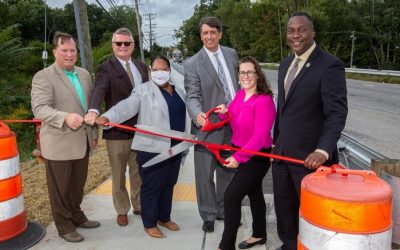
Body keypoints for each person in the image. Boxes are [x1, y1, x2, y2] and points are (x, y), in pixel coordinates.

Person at [272, 12, 348, 250]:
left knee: (312, 215)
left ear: (313, 32)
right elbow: (283, 110)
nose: (296, 35)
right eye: (291, 30)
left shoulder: (329, 65)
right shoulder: (285, 64)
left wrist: (323, 150)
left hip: (310, 159)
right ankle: (288, 245)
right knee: (284, 209)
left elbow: (336, 113)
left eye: (301, 29)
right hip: (282, 154)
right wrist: (275, 143)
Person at [96, 55, 191, 238]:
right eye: (155, 70)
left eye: (163, 69)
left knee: (169, 184)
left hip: (176, 147)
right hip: (153, 149)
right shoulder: (143, 91)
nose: (159, 73)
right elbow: (126, 106)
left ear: (170, 71)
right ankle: (149, 223)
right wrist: (109, 117)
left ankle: (164, 217)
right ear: (150, 71)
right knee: (152, 186)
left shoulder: (179, 91)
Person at [31, 31, 100, 243]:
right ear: (54, 52)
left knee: (77, 185)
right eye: (64, 50)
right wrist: (64, 117)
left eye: (73, 50)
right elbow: (40, 109)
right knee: (59, 189)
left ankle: (77, 216)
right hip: (59, 142)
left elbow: (91, 106)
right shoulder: (43, 76)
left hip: (83, 141)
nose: (69, 54)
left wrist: (94, 133)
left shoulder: (84, 74)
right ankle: (64, 226)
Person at [84, 28, 149, 226]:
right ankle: (122, 209)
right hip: (117, 133)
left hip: (140, 131)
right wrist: (94, 109)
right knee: (119, 174)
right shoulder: (106, 68)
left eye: (126, 43)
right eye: (118, 43)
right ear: (113, 46)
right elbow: (99, 89)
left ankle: (139, 205)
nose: (122, 46)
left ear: (133, 45)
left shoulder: (141, 66)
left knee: (138, 171)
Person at [184, 16, 239, 233]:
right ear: (201, 36)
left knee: (228, 170)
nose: (209, 36)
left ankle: (224, 209)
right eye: (205, 33)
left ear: (220, 34)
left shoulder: (231, 54)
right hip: (208, 127)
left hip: (234, 125)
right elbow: (192, 95)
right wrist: (198, 115)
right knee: (205, 174)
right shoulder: (192, 63)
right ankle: (208, 214)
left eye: (213, 32)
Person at [215, 56, 276, 250]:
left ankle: (226, 246)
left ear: (257, 74)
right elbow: (233, 118)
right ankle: (259, 234)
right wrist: (224, 112)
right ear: (238, 76)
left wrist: (238, 157)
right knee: (255, 193)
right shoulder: (241, 94)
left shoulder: (264, 101)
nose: (246, 75)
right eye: (242, 72)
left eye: (250, 72)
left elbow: (259, 137)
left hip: (257, 157)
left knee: (231, 196)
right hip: (242, 151)